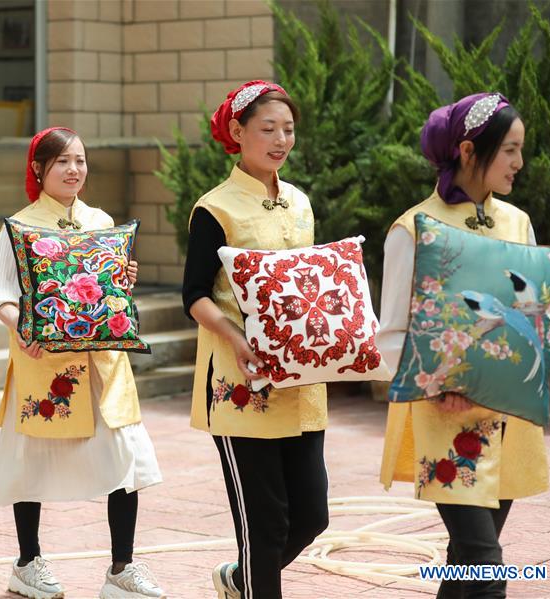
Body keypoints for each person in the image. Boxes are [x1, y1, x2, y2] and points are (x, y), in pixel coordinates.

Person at [377, 92, 550, 598]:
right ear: (469, 151)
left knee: (466, 563)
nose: (520, 162)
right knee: (489, 572)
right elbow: (391, 335)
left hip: (508, 415)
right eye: (509, 149)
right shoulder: (413, 228)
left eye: (519, 149)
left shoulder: (518, 221)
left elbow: (527, 321)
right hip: (447, 417)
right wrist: (437, 389)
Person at [0, 127, 166, 599]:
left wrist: (123, 278)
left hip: (104, 365)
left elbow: (111, 295)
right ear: (39, 169)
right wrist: (21, 327)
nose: (73, 170)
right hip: (45, 365)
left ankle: (122, 569)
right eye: (63, 161)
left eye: (80, 161)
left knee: (121, 459)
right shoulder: (19, 225)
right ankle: (27, 562)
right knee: (31, 464)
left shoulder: (102, 220)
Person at [182, 81, 329, 599]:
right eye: (268, 129)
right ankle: (253, 583)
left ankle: (239, 579)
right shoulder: (215, 209)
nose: (280, 139)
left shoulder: (300, 203)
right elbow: (195, 296)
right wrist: (235, 339)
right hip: (242, 385)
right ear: (238, 132)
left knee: (313, 517)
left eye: (288, 129)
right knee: (264, 529)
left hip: (302, 383)